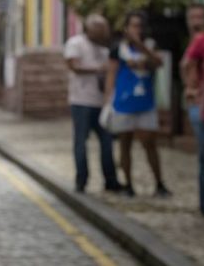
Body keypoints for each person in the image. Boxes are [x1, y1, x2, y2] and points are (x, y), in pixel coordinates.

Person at [104, 11, 170, 197]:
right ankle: (129, 185)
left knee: (149, 142)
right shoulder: (118, 49)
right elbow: (111, 74)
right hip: (123, 103)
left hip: (145, 102)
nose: (136, 29)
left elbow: (158, 62)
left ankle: (159, 183)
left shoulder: (149, 46)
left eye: (139, 25)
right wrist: (107, 101)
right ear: (126, 27)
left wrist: (140, 46)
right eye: (133, 25)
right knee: (125, 144)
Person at [64, 14, 121, 194]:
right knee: (81, 141)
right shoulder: (76, 43)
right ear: (88, 29)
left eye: (103, 29)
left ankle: (110, 180)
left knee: (107, 142)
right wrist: (100, 69)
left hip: (101, 102)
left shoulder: (105, 50)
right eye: (98, 29)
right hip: (81, 101)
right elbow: (73, 66)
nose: (101, 33)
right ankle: (81, 180)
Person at [181, 3, 204, 216]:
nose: (196, 20)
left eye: (200, 16)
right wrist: (191, 89)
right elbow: (186, 66)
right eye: (193, 16)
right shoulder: (198, 41)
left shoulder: (200, 39)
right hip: (201, 105)